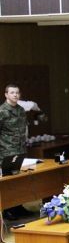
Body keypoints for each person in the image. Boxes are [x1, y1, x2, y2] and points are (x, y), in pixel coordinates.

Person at [0, 84, 29, 220]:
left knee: (19, 180)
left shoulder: (21, 110)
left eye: (17, 92)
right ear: (6, 95)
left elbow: (24, 128)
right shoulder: (2, 111)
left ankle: (18, 207)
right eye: (12, 92)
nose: (15, 95)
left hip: (20, 149)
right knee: (8, 182)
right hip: (6, 151)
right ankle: (7, 210)